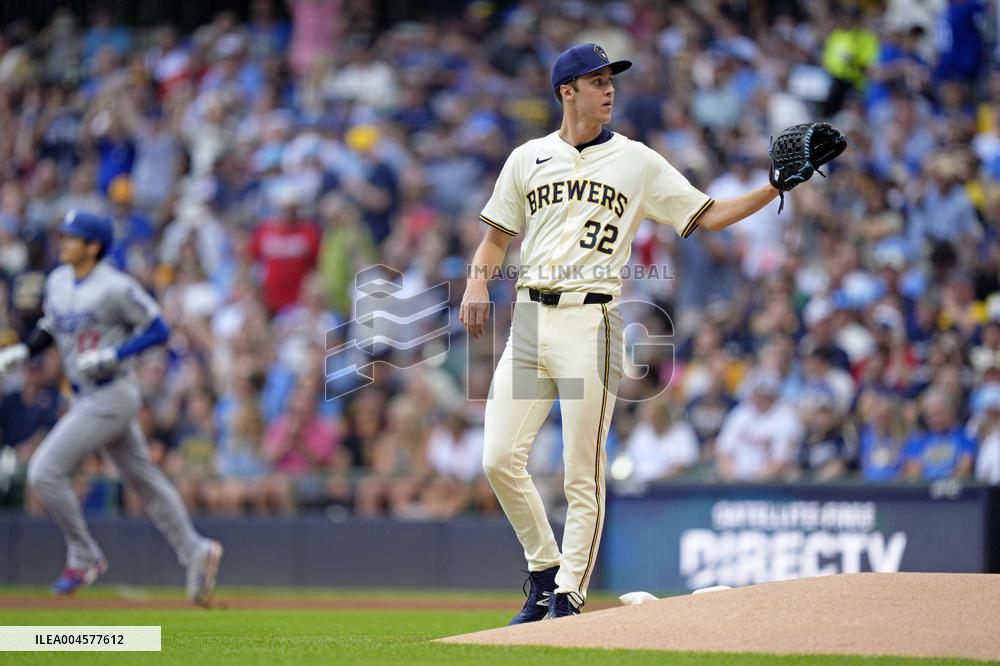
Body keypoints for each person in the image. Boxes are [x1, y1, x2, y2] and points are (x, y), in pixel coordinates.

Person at [460, 43, 796, 623]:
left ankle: (567, 596)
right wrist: (474, 284)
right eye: (595, 81)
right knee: (497, 459)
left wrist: (771, 188)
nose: (609, 88)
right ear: (567, 92)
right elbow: (496, 237)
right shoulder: (526, 158)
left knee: (580, 472)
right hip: (530, 318)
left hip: (592, 321)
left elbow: (707, 215)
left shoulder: (638, 161)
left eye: (611, 79)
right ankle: (543, 571)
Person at [0, 211, 223, 604]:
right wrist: (25, 349)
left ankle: (84, 554)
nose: (63, 241)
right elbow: (54, 325)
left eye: (73, 237)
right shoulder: (58, 280)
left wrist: (114, 354)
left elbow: (158, 328)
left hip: (111, 392)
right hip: (86, 394)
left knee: (44, 472)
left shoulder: (115, 286)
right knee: (145, 481)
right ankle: (196, 550)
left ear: (93, 245)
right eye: (63, 235)